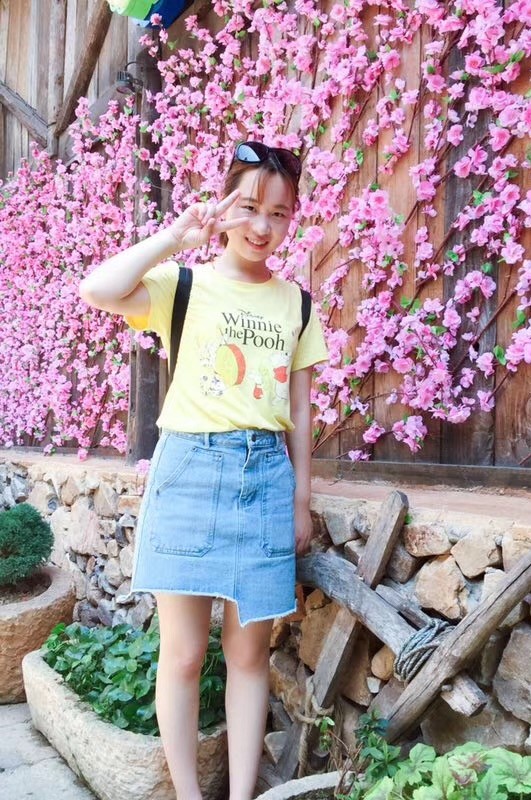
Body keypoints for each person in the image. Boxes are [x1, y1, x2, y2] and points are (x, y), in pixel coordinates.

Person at [79, 141, 328, 800]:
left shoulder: (297, 304)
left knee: (248, 655)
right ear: (223, 207)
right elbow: (97, 289)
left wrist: (301, 498)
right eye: (248, 207)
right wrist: (176, 238)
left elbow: (300, 409)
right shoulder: (183, 286)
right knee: (184, 654)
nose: (262, 226)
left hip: (265, 479)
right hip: (189, 470)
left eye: (279, 213)